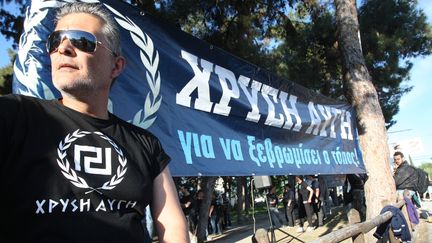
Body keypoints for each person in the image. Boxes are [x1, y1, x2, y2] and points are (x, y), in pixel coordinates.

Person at [0, 3, 188, 243]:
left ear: (116, 66)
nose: (63, 48)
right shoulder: (13, 116)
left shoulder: (146, 143)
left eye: (82, 40)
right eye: (55, 41)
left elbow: (171, 223)